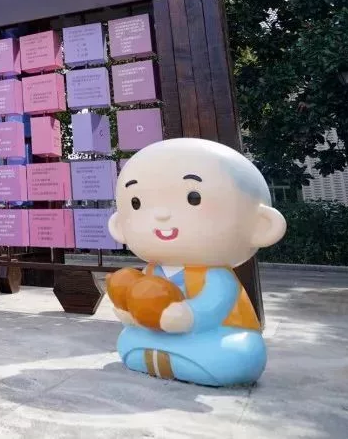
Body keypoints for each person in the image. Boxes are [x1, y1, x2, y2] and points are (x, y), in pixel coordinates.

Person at [107, 138, 286, 387]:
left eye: (193, 198)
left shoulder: (214, 276)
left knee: (238, 355)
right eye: (136, 203)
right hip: (158, 333)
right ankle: (170, 357)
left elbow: (213, 306)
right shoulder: (151, 270)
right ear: (119, 225)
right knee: (129, 339)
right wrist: (132, 313)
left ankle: (168, 357)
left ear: (260, 225)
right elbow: (142, 301)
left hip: (212, 335)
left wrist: (187, 316)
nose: (161, 215)